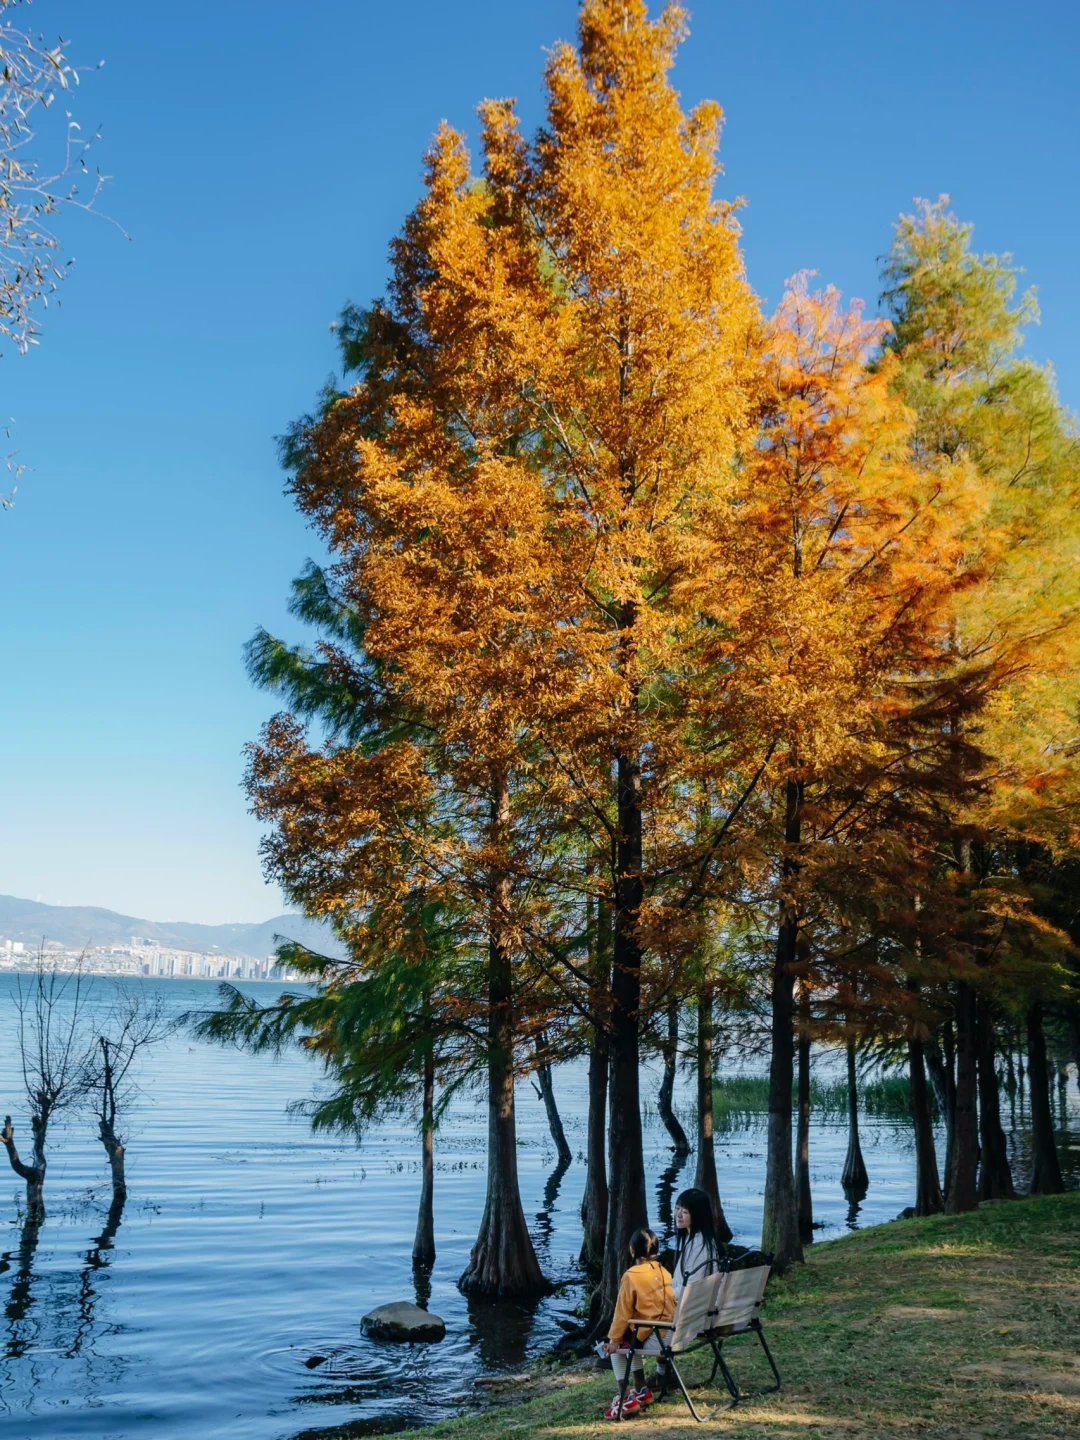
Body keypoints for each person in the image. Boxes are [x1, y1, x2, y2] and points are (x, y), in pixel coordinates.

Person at [601, 1228, 675, 1420]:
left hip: (659, 1339)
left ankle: (626, 1399)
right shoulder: (664, 1271)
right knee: (628, 1339)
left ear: (632, 1250)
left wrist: (614, 1340)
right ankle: (641, 1390)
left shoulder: (631, 1275)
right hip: (674, 1333)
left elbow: (622, 1312)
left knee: (616, 1347)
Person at [671, 1186, 724, 1300]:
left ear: (697, 1216)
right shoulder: (696, 1239)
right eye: (677, 1208)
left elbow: (690, 1288)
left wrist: (662, 1295)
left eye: (685, 1211)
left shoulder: (700, 1246)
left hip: (689, 1310)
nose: (678, 1215)